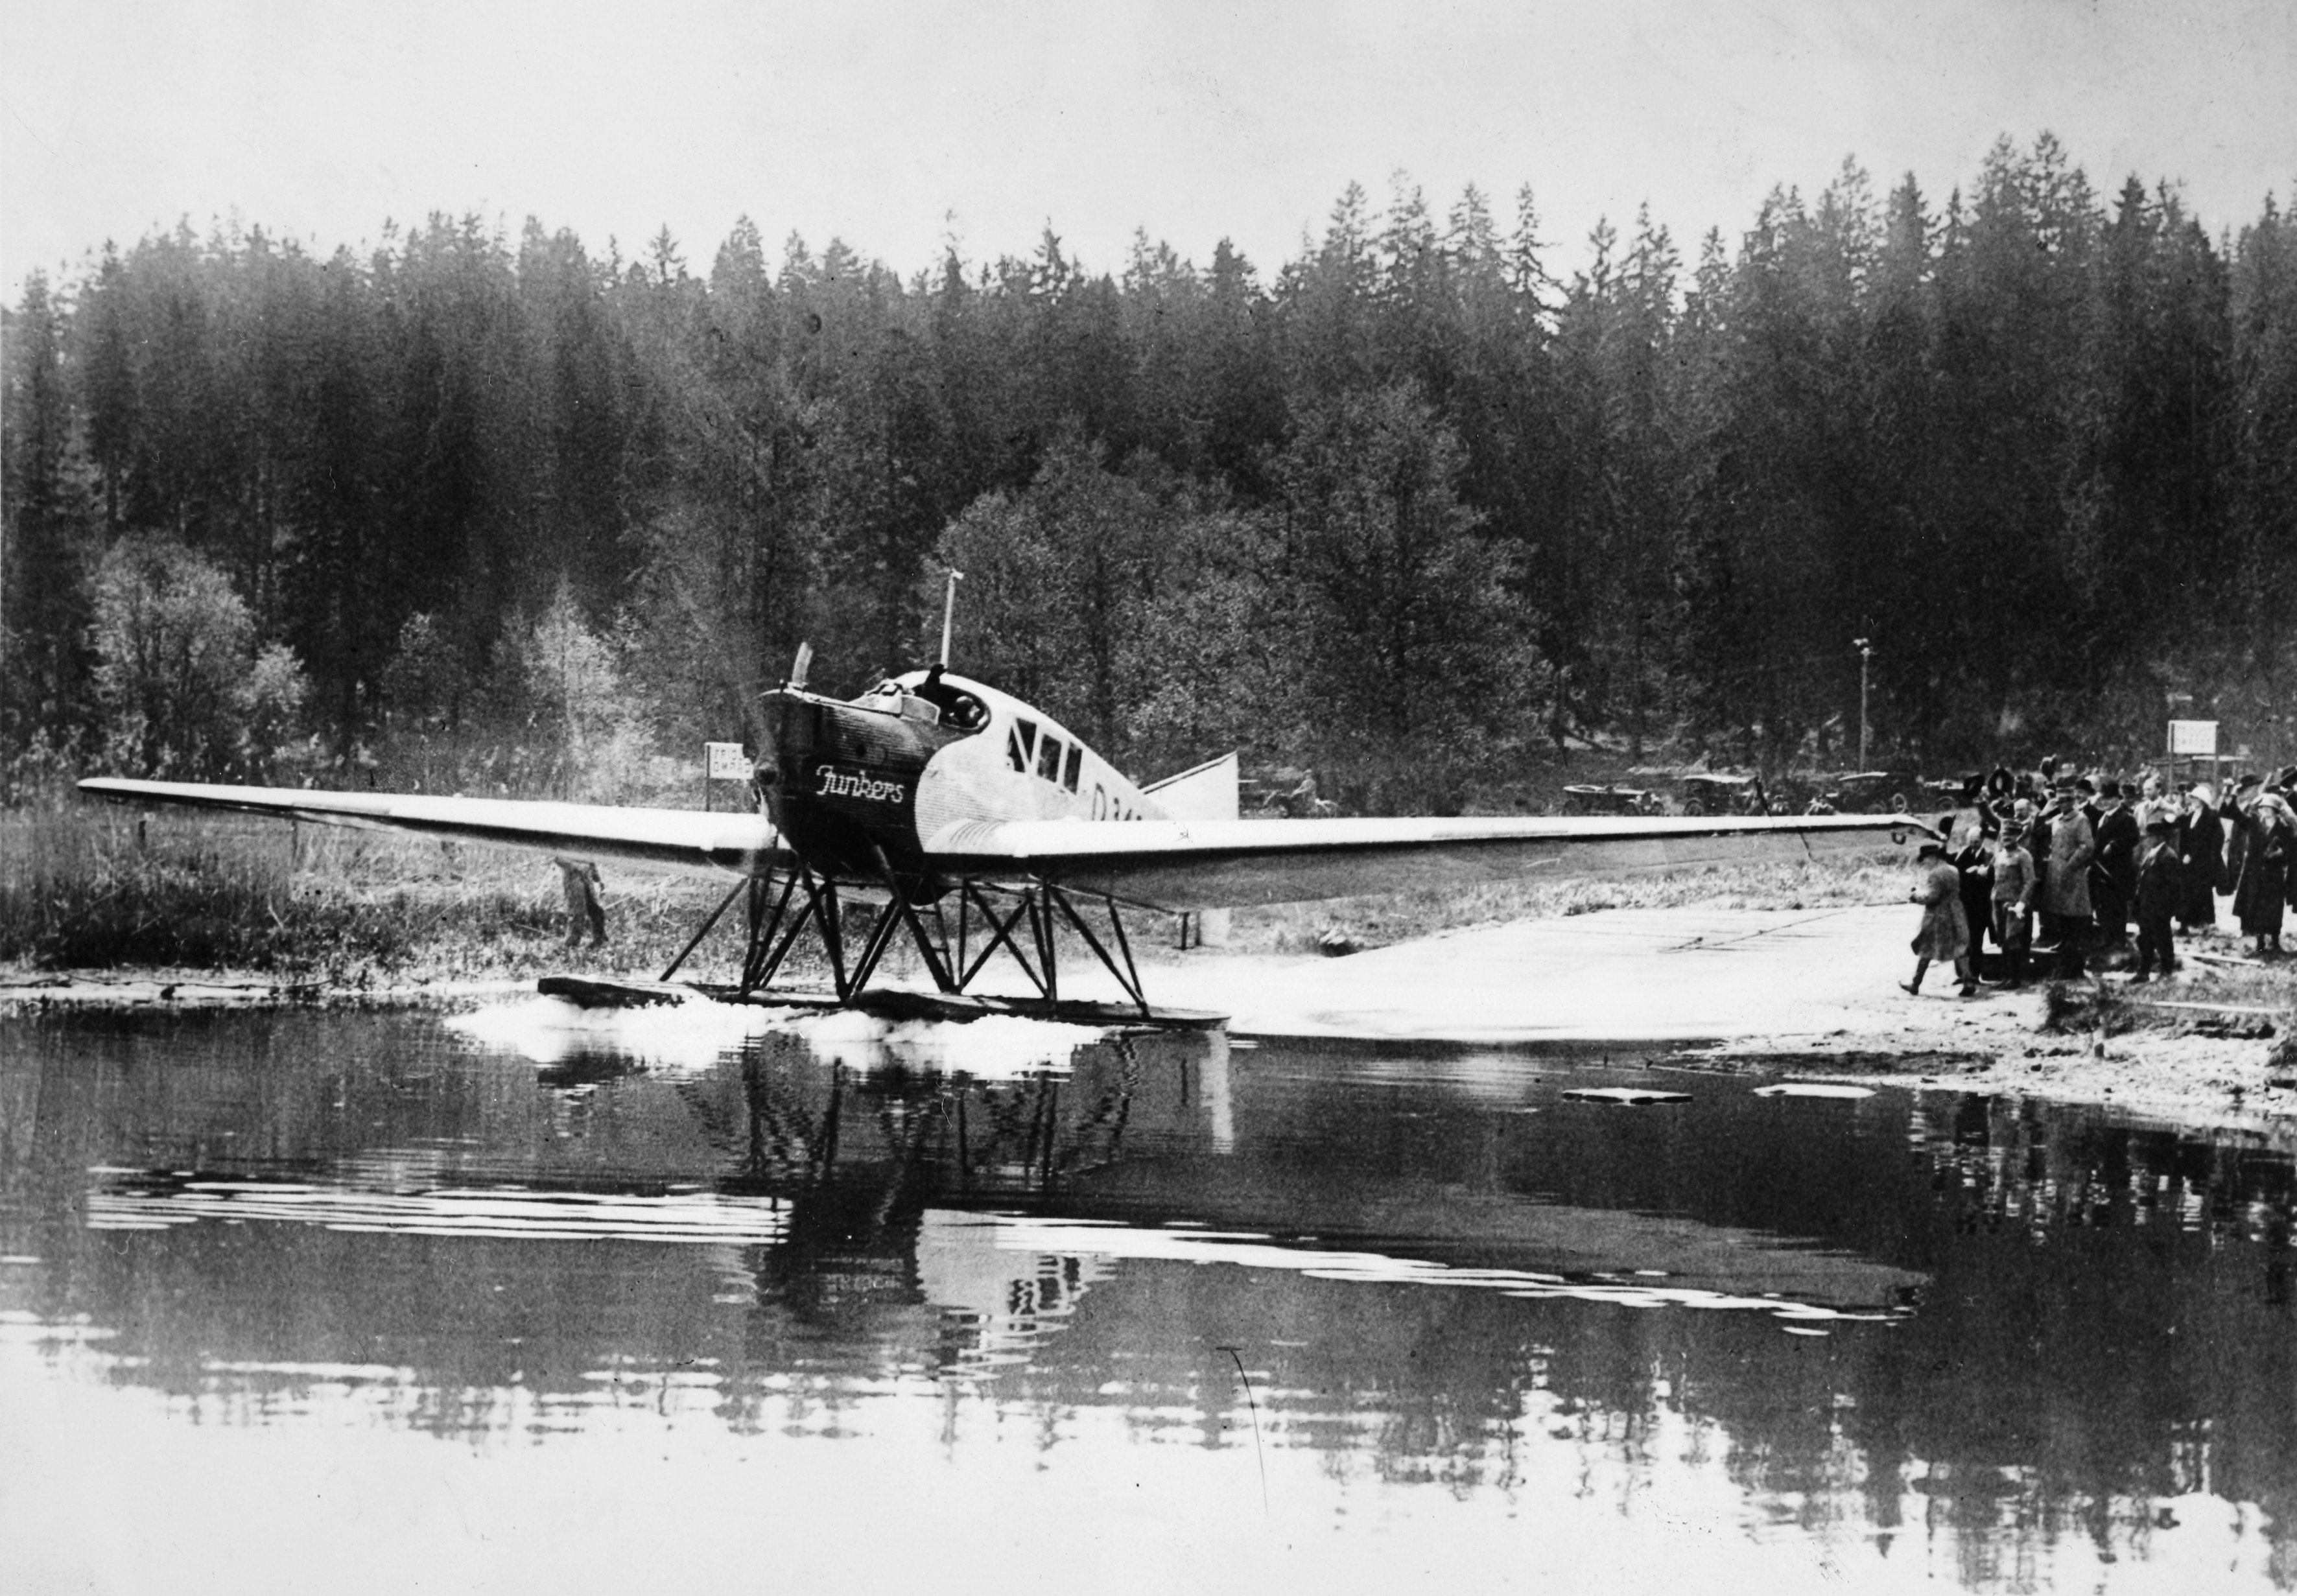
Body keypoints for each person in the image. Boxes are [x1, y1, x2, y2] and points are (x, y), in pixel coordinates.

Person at [1903, 841, 1977, 997]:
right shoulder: (1953, 869)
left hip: (1939, 915)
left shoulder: (1935, 874)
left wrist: (1916, 896)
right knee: (1959, 947)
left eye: (1926, 859)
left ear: (1933, 857)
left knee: (1926, 947)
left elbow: (1932, 896)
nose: (1925, 863)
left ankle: (1915, 984)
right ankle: (1969, 981)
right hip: (1956, 911)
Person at [2040, 780, 2096, 978]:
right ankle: (2064, 943)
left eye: (2066, 801)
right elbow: (2039, 829)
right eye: (2059, 801)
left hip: (2073, 874)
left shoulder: (2081, 820)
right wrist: (2045, 810)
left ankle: (2074, 963)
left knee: (2074, 915)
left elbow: (2087, 846)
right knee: (2061, 911)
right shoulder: (2056, 820)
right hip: (2056, 872)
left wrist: (2071, 864)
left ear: (2073, 801)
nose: (2062, 804)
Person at [2230, 788, 2291, 955]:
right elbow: (2235, 814)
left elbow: (2292, 848)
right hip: (2257, 873)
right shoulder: (2254, 824)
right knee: (2258, 908)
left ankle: (2276, 941)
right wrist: (2233, 794)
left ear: (2276, 811)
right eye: (2263, 808)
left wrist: (2282, 853)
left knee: (2275, 908)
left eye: (2268, 808)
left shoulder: (2284, 828)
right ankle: (2260, 942)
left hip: (2275, 874)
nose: (2265, 811)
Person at [1990, 809, 2038, 988]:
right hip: (1998, 902)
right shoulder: (2000, 855)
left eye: (2011, 835)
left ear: (2018, 836)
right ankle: (2007, 976)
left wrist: (2021, 904)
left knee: (2013, 939)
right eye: (2004, 835)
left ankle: (2015, 979)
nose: (2007, 838)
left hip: (2013, 904)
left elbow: (2030, 881)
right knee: (2002, 939)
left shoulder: (2024, 856)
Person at [2130, 816, 2182, 981]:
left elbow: (2172, 886)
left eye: (2150, 837)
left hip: (2159, 907)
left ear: (2160, 837)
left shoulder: (2168, 856)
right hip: (2147, 904)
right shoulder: (2151, 854)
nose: (2146, 840)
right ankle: (2143, 972)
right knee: (2145, 939)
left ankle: (2167, 971)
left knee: (2163, 939)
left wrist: (2166, 909)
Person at [2090, 779, 2138, 951]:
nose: (2107, 802)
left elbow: (2133, 838)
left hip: (2119, 870)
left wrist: (2114, 845)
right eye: (2105, 799)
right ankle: (2107, 938)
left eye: (2111, 799)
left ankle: (2119, 939)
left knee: (2117, 906)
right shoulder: (2102, 817)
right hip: (2102, 869)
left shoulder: (2126, 818)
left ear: (2118, 799)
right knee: (2103, 905)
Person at [2178, 782, 2224, 933]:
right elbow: (2184, 836)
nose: (2194, 801)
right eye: (2192, 798)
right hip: (2187, 860)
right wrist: (2185, 854)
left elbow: (2210, 838)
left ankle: (2204, 922)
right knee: (2186, 890)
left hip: (2203, 861)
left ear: (2204, 800)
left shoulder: (2211, 816)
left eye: (2197, 798)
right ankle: (2186, 922)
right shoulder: (2189, 815)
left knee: (2202, 891)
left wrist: (2194, 855)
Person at [558, 857, 608, 949]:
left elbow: (590, 859)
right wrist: (577, 867)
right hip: (573, 878)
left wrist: (597, 877)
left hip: (587, 879)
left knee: (597, 911)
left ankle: (599, 942)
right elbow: (558, 859)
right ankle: (571, 945)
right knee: (577, 914)